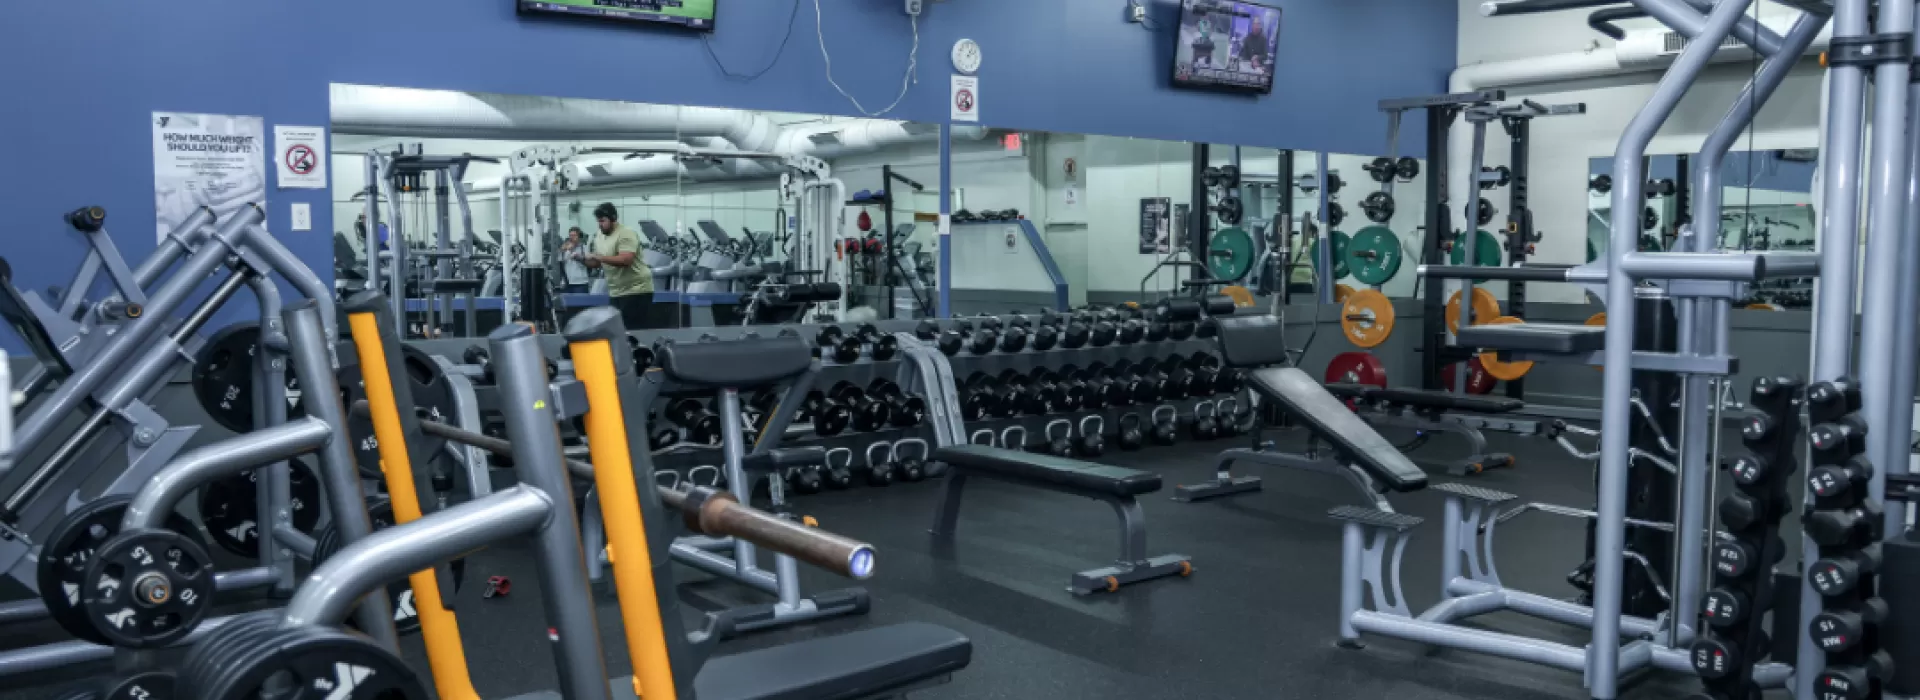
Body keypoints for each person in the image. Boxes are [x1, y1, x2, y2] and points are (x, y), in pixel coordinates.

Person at [583, 202, 659, 328]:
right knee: (618, 330)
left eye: (603, 221)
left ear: (613, 219)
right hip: (616, 292)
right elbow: (597, 263)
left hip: (636, 290)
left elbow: (626, 260)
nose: (600, 224)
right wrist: (581, 259)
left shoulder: (626, 233)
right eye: (598, 221)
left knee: (633, 332)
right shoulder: (599, 236)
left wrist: (598, 256)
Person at [559, 227, 591, 294]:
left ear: (579, 237)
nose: (571, 237)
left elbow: (587, 262)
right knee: (568, 303)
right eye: (570, 235)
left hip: (581, 283)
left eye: (574, 235)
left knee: (581, 303)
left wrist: (572, 250)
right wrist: (562, 251)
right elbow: (561, 263)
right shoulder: (565, 249)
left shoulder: (584, 248)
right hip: (567, 282)